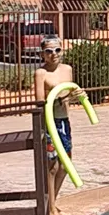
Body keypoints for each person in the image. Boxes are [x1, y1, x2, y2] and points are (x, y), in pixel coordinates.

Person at [32, 38, 78, 193]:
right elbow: (39, 103)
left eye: (57, 50)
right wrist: (60, 98)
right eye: (49, 51)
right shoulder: (41, 73)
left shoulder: (67, 69)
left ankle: (53, 204)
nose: (54, 54)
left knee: (65, 166)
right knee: (53, 167)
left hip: (64, 122)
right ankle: (50, 210)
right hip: (49, 123)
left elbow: (71, 94)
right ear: (42, 54)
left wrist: (78, 95)